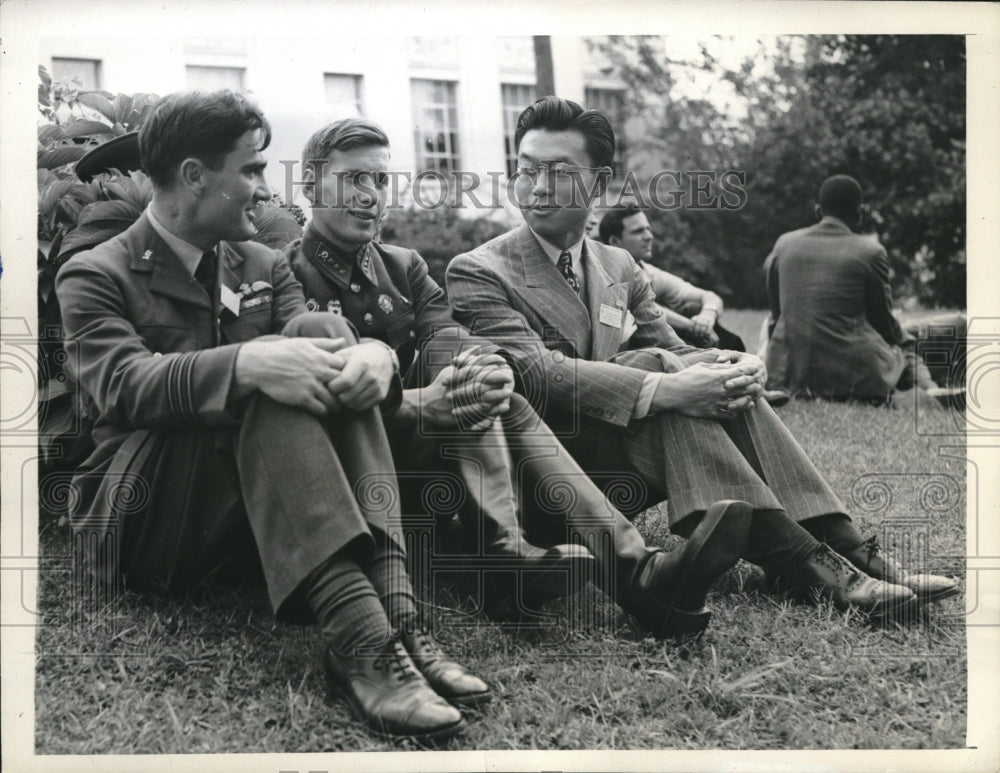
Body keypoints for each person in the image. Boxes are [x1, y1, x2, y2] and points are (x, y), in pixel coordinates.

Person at [55, 90, 484, 743]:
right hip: (147, 515)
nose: (262, 188)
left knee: (315, 331)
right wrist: (247, 365)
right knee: (267, 374)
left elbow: (314, 346)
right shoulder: (97, 272)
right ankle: (361, 635)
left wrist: (373, 354)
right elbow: (120, 385)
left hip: (249, 518)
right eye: (251, 170)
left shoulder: (260, 262)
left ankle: (396, 611)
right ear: (196, 176)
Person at [446, 96, 959, 615]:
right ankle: (810, 568)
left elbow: (674, 348)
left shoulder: (618, 264)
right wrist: (668, 386)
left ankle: (850, 551)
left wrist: (739, 367)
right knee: (664, 389)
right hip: (546, 489)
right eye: (526, 170)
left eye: (557, 172)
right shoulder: (479, 270)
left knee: (696, 378)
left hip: (612, 466)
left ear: (598, 186)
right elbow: (538, 375)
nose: (536, 186)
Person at [283, 116, 754, 643]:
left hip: (428, 457)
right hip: (350, 465)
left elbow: (445, 334)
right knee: (479, 387)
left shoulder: (403, 266)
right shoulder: (285, 275)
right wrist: (425, 401)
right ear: (306, 188)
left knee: (477, 371)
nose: (370, 196)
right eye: (353, 180)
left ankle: (567, 564)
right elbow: (306, 409)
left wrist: (484, 367)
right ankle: (603, 570)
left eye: (380, 181)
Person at [763, 175, 957, 405]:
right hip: (852, 375)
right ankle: (932, 390)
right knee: (905, 346)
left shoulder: (784, 244)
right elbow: (884, 323)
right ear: (859, 213)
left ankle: (931, 388)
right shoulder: (870, 251)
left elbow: (777, 316)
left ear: (818, 211)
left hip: (791, 374)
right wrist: (905, 340)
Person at [597, 205, 745, 352]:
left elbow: (709, 296)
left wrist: (707, 316)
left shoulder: (648, 272)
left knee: (694, 307)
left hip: (658, 344)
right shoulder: (604, 273)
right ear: (615, 241)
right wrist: (690, 326)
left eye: (648, 229)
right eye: (638, 231)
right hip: (623, 353)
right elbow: (640, 308)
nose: (649, 236)